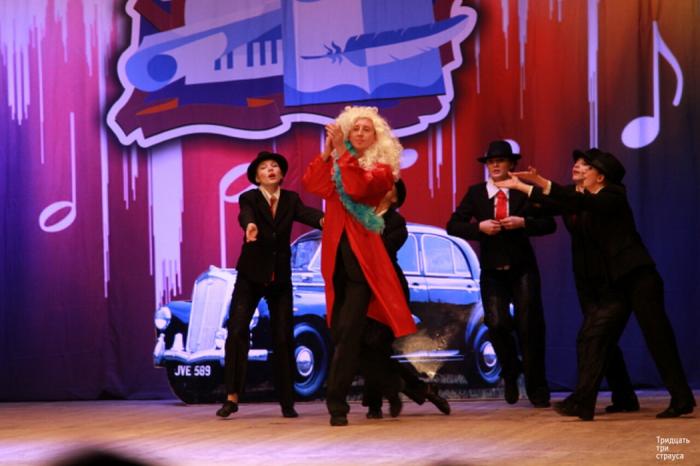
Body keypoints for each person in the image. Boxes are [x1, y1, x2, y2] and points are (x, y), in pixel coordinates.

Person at [498, 148, 696, 420]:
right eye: (577, 164)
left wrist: (540, 182)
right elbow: (555, 202)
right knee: (595, 335)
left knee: (658, 338)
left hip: (638, 278)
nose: (578, 167)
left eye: (586, 166)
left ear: (600, 176)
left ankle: (681, 398)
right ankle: (592, 400)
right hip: (610, 284)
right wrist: (521, 185)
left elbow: (582, 202)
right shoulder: (577, 196)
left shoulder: (613, 195)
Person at [302, 106, 417, 426]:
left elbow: (356, 188)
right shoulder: (339, 162)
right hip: (335, 257)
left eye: (367, 129)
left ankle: (336, 405)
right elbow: (313, 184)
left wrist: (341, 153)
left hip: (364, 261)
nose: (361, 133)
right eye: (355, 128)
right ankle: (392, 383)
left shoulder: (382, 170)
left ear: (377, 136)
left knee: (351, 333)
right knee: (341, 333)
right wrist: (328, 152)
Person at [446, 140, 555, 408]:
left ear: (511, 164)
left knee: (529, 326)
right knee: (495, 324)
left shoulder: (522, 191)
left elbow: (549, 224)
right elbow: (453, 225)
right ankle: (510, 370)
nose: (494, 165)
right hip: (492, 270)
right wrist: (479, 228)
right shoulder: (476, 193)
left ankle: (537, 386)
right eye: (490, 161)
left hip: (522, 268)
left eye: (500, 161)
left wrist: (523, 223)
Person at [216, 151, 324, 419]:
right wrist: (250, 226)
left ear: (282, 174)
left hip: (280, 278)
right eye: (264, 168)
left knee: (283, 336)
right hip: (251, 274)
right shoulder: (249, 198)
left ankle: (287, 401)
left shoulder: (291, 199)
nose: (270, 170)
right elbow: (246, 215)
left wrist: (327, 220)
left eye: (275, 166)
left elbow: (309, 215)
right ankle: (232, 397)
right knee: (237, 330)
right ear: (257, 177)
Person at [361, 179, 451, 419]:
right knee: (367, 348)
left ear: (395, 197)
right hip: (362, 287)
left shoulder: (396, 222)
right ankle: (418, 389)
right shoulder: (360, 214)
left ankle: (377, 404)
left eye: (388, 186)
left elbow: (381, 250)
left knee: (376, 345)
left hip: (388, 288)